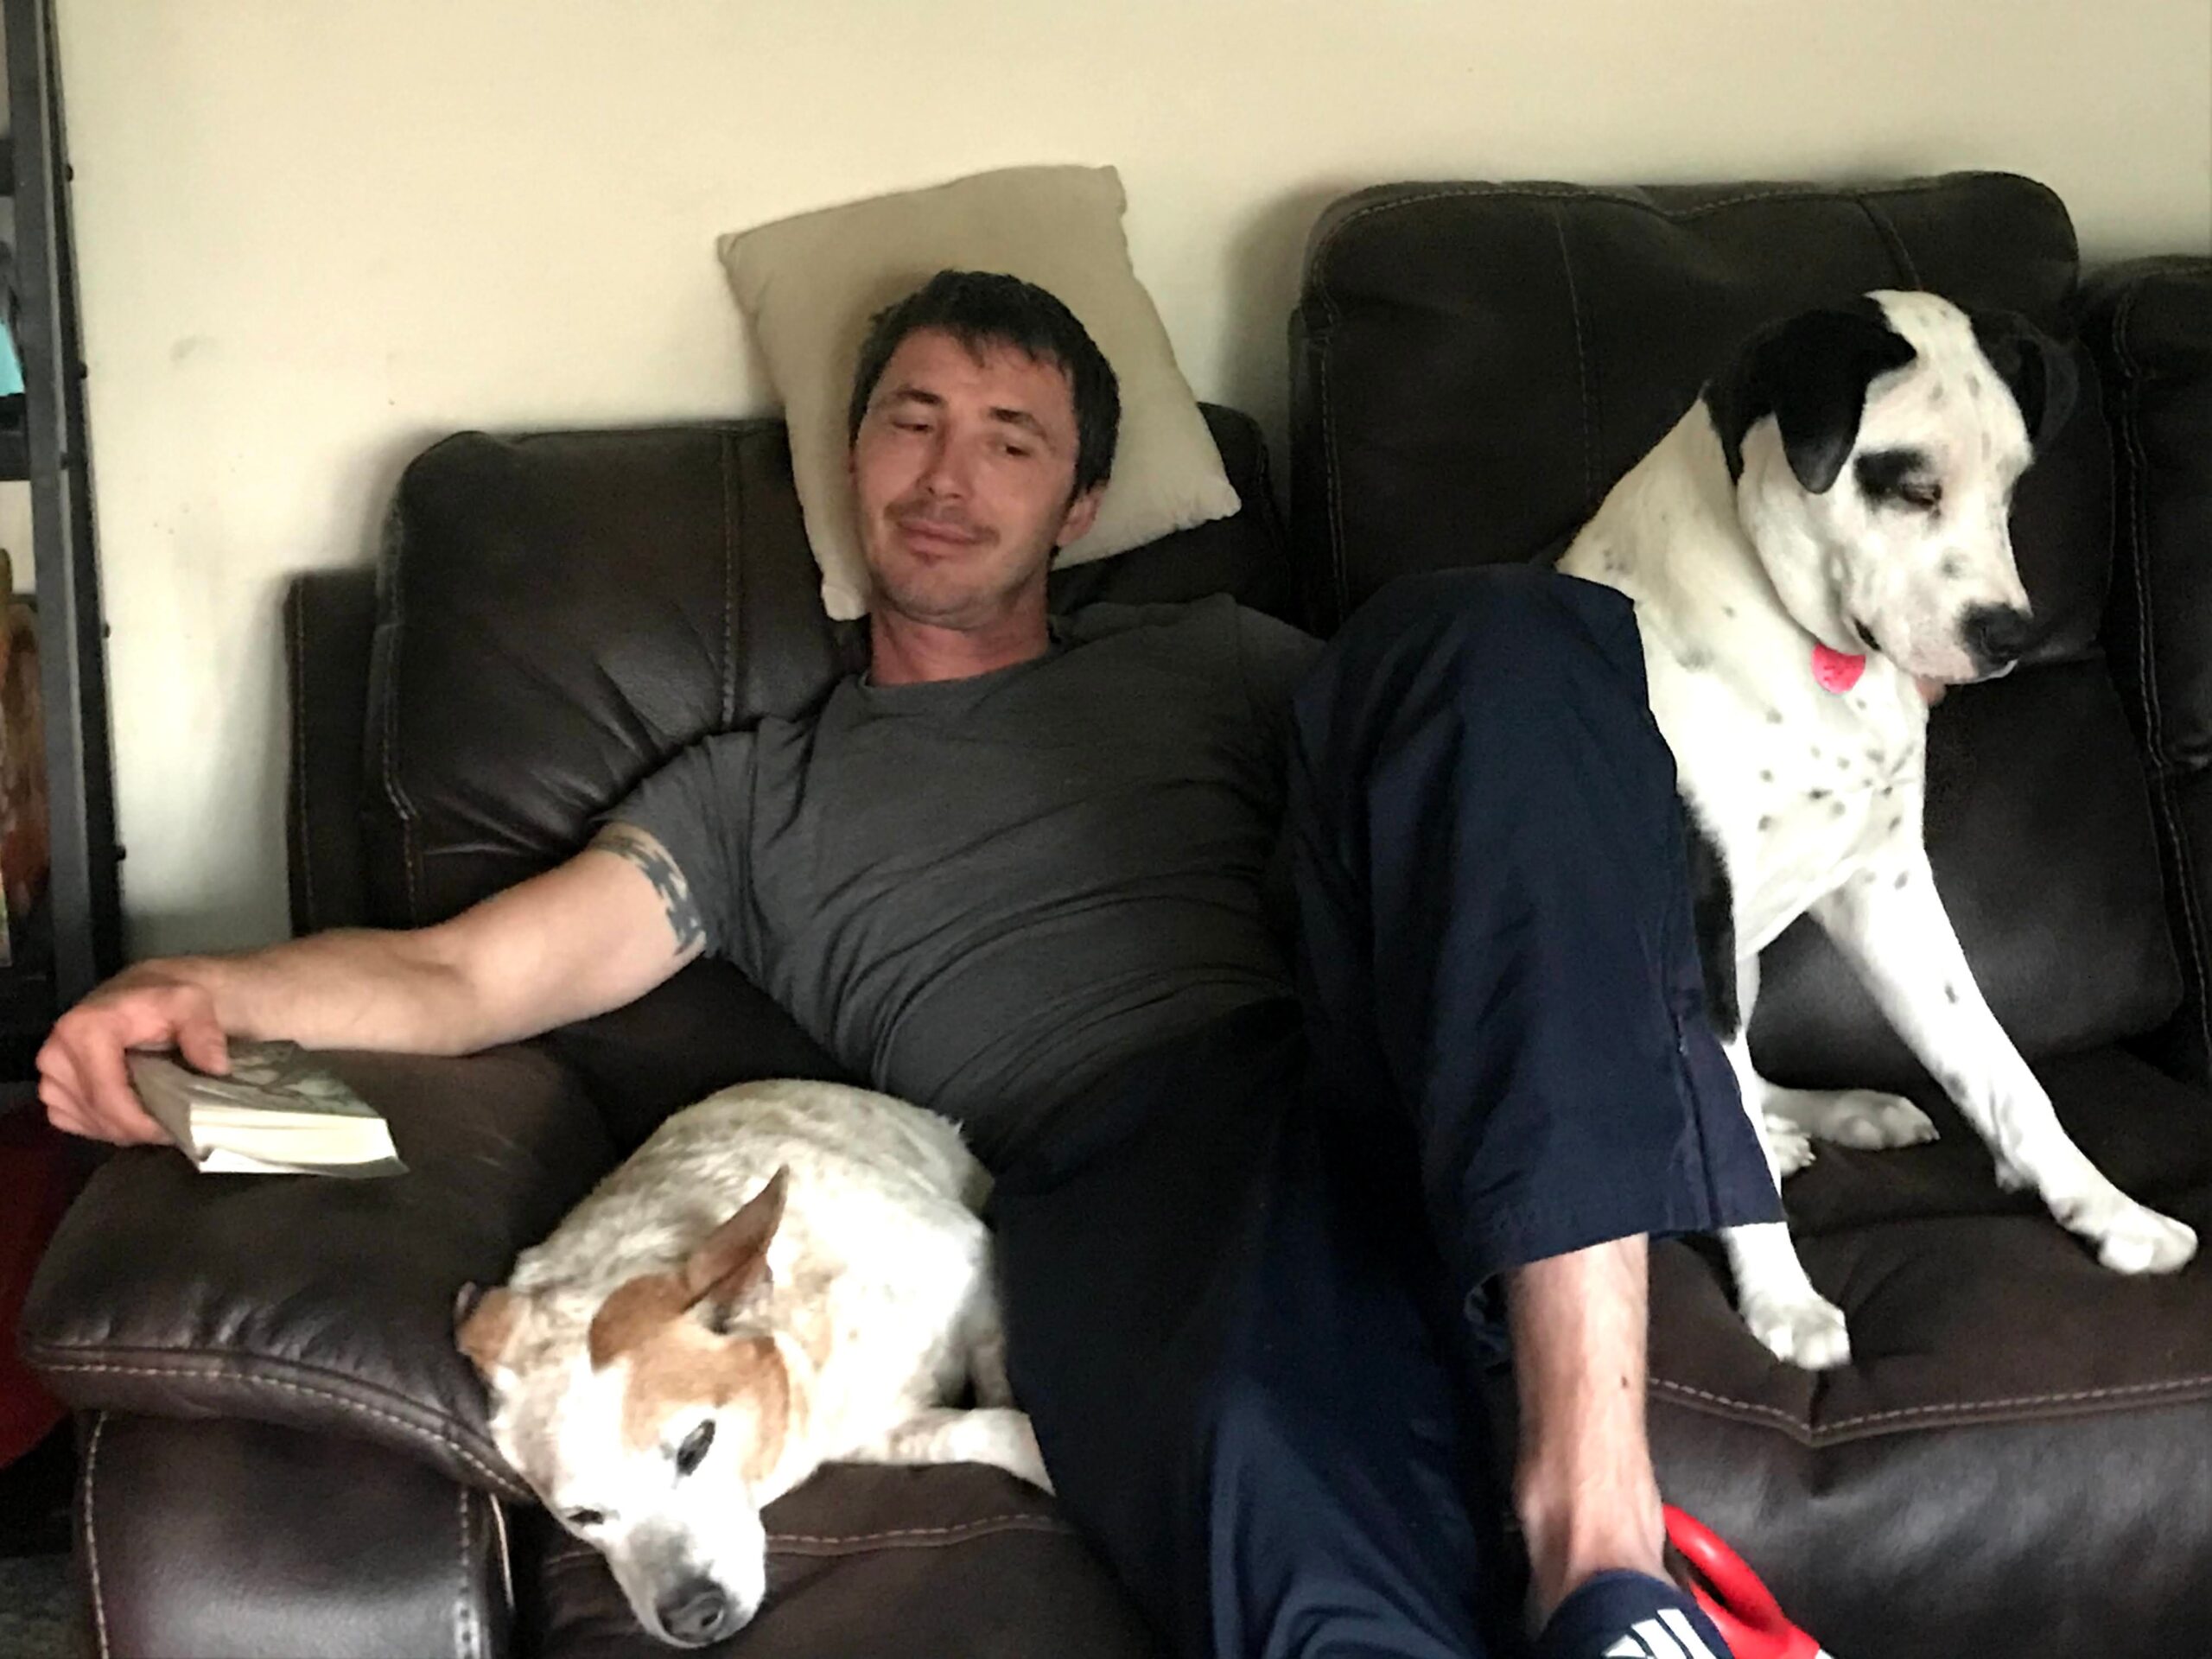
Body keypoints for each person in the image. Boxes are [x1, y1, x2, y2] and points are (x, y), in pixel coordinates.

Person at [41, 270, 1772, 1659]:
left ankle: (1600, 1534)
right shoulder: (748, 800)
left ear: (1080, 505)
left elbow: (1507, 806)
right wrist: (204, 992)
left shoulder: (1216, 657)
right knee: (1262, 1471)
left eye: (1011, 441)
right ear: (850, 464)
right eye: (912, 422)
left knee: (1500, 636)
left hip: (1381, 1038)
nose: (948, 476)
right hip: (1129, 1159)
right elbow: (464, 979)